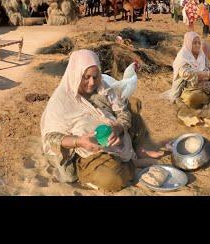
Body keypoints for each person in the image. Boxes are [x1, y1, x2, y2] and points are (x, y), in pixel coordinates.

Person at [40, 50, 163, 192]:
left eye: (95, 76)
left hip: (115, 140)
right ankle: (132, 163)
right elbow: (49, 139)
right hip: (87, 152)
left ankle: (136, 151)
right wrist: (79, 141)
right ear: (75, 75)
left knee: (132, 105)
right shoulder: (60, 101)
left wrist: (118, 128)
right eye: (86, 77)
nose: (92, 82)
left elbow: (122, 112)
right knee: (111, 179)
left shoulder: (103, 87)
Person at [170, 32, 210, 121]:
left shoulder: (201, 54)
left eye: (199, 43)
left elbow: (209, 67)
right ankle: (204, 100)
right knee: (194, 98)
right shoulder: (182, 58)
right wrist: (208, 75)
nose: (197, 45)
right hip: (191, 89)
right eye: (194, 43)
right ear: (188, 43)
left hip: (207, 88)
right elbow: (187, 74)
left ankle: (206, 100)